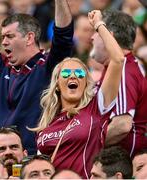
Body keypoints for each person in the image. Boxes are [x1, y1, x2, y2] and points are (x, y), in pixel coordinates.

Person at [31, 10, 125, 179]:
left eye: (80, 74)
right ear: (58, 85)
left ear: (85, 84)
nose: (73, 76)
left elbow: (118, 59)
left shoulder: (96, 107)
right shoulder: (47, 121)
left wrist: (98, 25)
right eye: (66, 74)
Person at [0, 0, 73, 155]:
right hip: (2, 156)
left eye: (9, 36)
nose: (4, 42)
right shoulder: (3, 66)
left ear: (29, 38)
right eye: (3, 37)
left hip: (34, 159)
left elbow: (63, 34)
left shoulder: (49, 67)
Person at [90, 9, 147, 157]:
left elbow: (122, 124)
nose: (91, 38)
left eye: (96, 32)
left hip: (121, 162)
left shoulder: (123, 70)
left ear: (109, 37)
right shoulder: (128, 65)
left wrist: (86, 144)